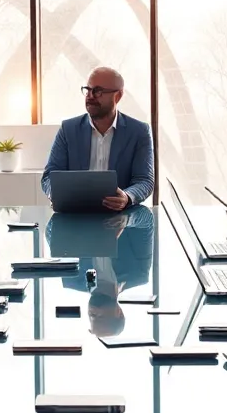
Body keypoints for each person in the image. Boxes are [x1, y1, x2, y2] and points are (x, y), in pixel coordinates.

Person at [41, 66, 154, 211]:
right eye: (88, 90)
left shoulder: (139, 131)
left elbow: (144, 180)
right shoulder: (68, 129)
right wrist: (55, 194)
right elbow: (49, 176)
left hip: (120, 216)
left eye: (98, 91)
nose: (90, 96)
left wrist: (127, 197)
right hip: (74, 214)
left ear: (118, 96)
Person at [46, 206, 155, 338]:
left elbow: (51, 229)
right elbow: (147, 219)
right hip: (116, 202)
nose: (93, 314)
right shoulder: (138, 273)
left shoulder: (72, 278)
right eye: (101, 318)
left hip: (77, 203)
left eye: (91, 318)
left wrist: (72, 214)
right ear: (119, 313)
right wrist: (126, 220)